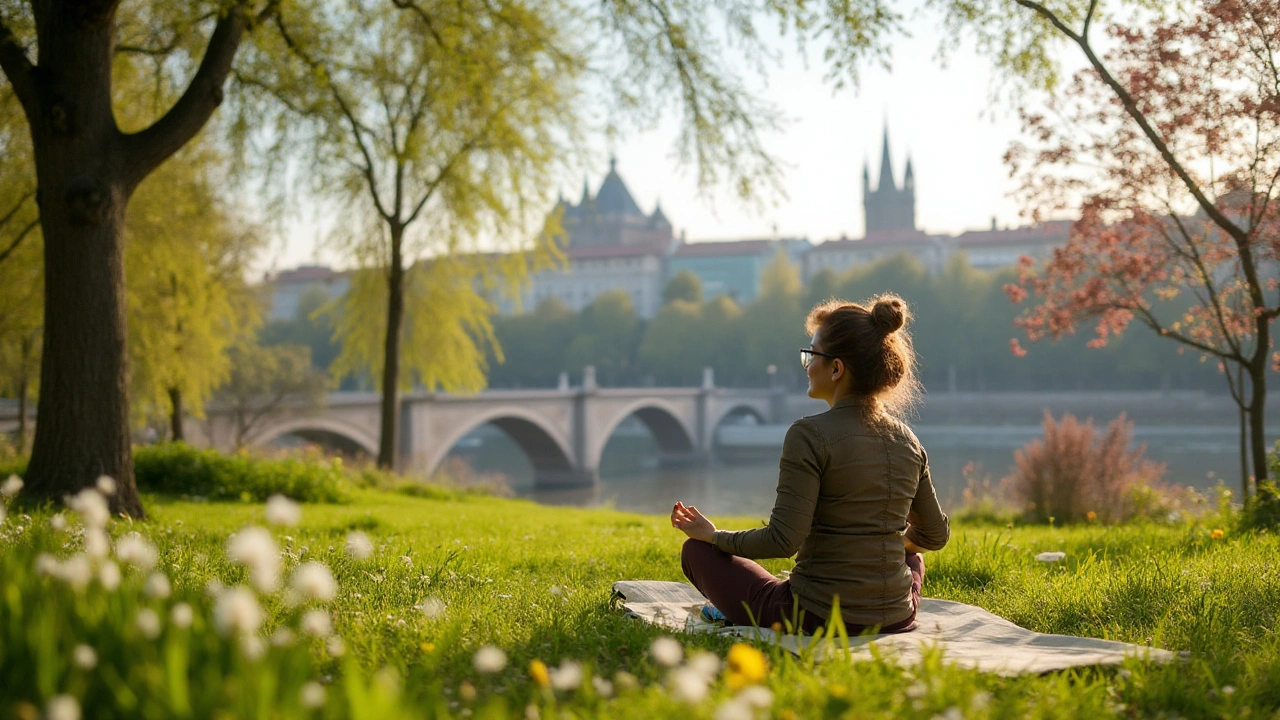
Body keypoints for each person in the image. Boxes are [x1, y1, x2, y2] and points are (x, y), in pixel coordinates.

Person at [671, 294, 949, 635]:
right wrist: (886, 547)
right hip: (896, 615)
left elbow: (783, 541)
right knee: (913, 558)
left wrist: (714, 536)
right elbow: (935, 535)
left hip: (815, 616)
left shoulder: (809, 435)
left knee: (695, 552)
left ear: (836, 368)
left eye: (811, 355)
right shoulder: (908, 441)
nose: (806, 365)